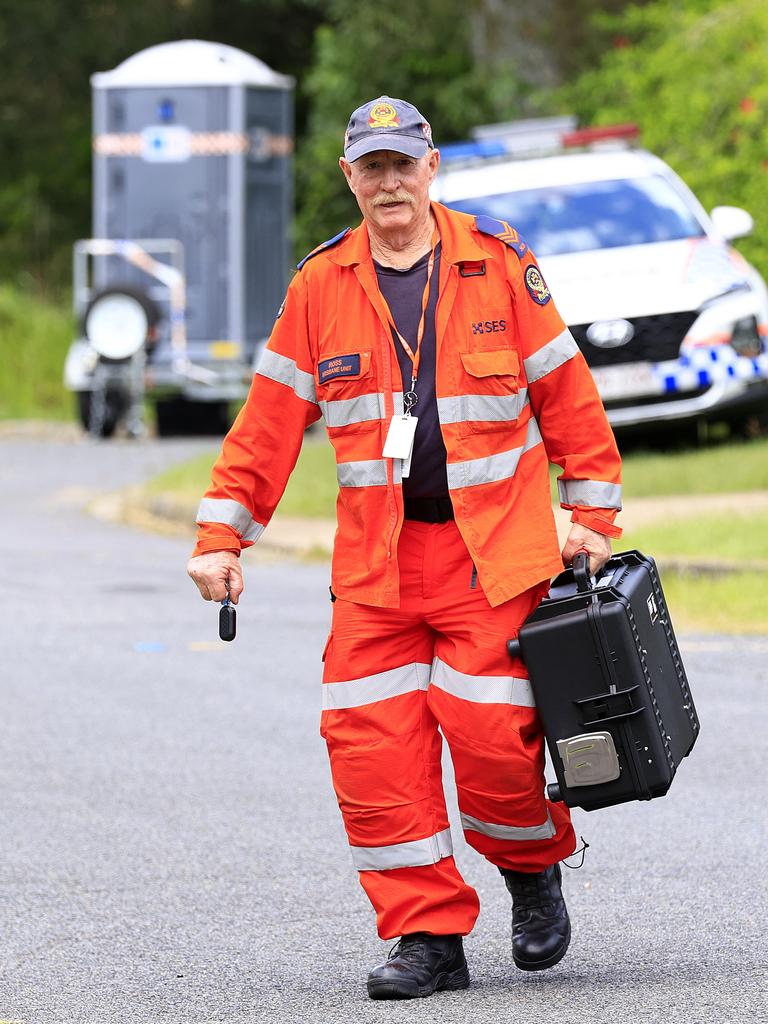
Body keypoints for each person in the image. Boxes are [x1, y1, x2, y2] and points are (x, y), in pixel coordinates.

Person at [187, 96, 622, 1000]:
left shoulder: (498, 266)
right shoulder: (320, 287)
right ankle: (428, 935)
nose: (388, 182)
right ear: (350, 178)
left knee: (497, 742)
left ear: (431, 169)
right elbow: (266, 427)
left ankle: (530, 867)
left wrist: (591, 518)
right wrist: (222, 534)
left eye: (402, 164)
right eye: (370, 167)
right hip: (378, 570)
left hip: (493, 558)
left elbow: (569, 399)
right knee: (370, 749)